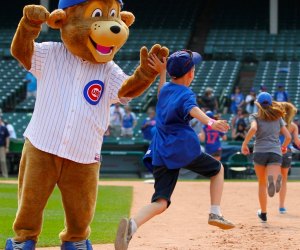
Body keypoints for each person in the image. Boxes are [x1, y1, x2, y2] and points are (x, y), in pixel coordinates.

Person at [115, 50, 234, 250]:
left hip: (160, 149)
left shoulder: (168, 89)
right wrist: (211, 122)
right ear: (190, 73)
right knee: (217, 169)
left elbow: (161, 92)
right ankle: (215, 212)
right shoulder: (186, 93)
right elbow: (192, 109)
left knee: (161, 201)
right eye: (193, 68)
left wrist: (162, 73)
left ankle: (132, 226)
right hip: (181, 147)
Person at [241, 92, 291, 223]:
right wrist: (284, 147)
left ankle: (263, 213)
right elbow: (289, 137)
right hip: (275, 152)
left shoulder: (255, 116)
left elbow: (253, 129)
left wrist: (245, 144)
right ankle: (274, 181)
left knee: (261, 183)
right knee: (271, 179)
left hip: (260, 152)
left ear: (258, 103)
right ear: (271, 103)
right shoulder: (278, 117)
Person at [277, 102, 300, 214]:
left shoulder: (275, 123)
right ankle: (281, 206)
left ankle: (274, 179)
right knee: (284, 179)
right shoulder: (293, 126)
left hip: (274, 151)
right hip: (286, 152)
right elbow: (297, 142)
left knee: (271, 173)